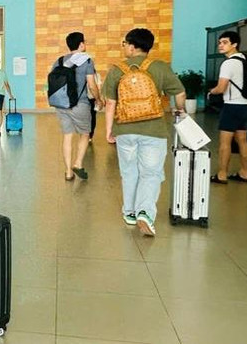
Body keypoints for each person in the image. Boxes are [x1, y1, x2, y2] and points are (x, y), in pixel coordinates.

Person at [103, 28, 186, 236]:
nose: (124, 48)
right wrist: (180, 109)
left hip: (125, 129)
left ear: (132, 46)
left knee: (129, 172)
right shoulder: (159, 67)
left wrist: (109, 130)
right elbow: (180, 92)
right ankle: (145, 213)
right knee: (151, 173)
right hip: (154, 129)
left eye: (124, 44)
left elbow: (110, 103)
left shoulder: (117, 70)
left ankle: (129, 212)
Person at [53, 32, 103, 181]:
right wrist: (99, 99)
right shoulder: (87, 61)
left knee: (67, 136)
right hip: (80, 104)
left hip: (62, 104)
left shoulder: (59, 60)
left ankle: (68, 172)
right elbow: (92, 84)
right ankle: (78, 164)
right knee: (85, 133)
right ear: (81, 44)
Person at [208, 31, 247, 184]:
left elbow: (221, 88)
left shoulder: (228, 63)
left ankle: (222, 174)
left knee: (225, 142)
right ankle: (245, 172)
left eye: (225, 42)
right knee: (242, 140)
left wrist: (211, 91)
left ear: (234, 44)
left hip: (232, 106)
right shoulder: (245, 60)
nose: (220, 45)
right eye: (220, 42)